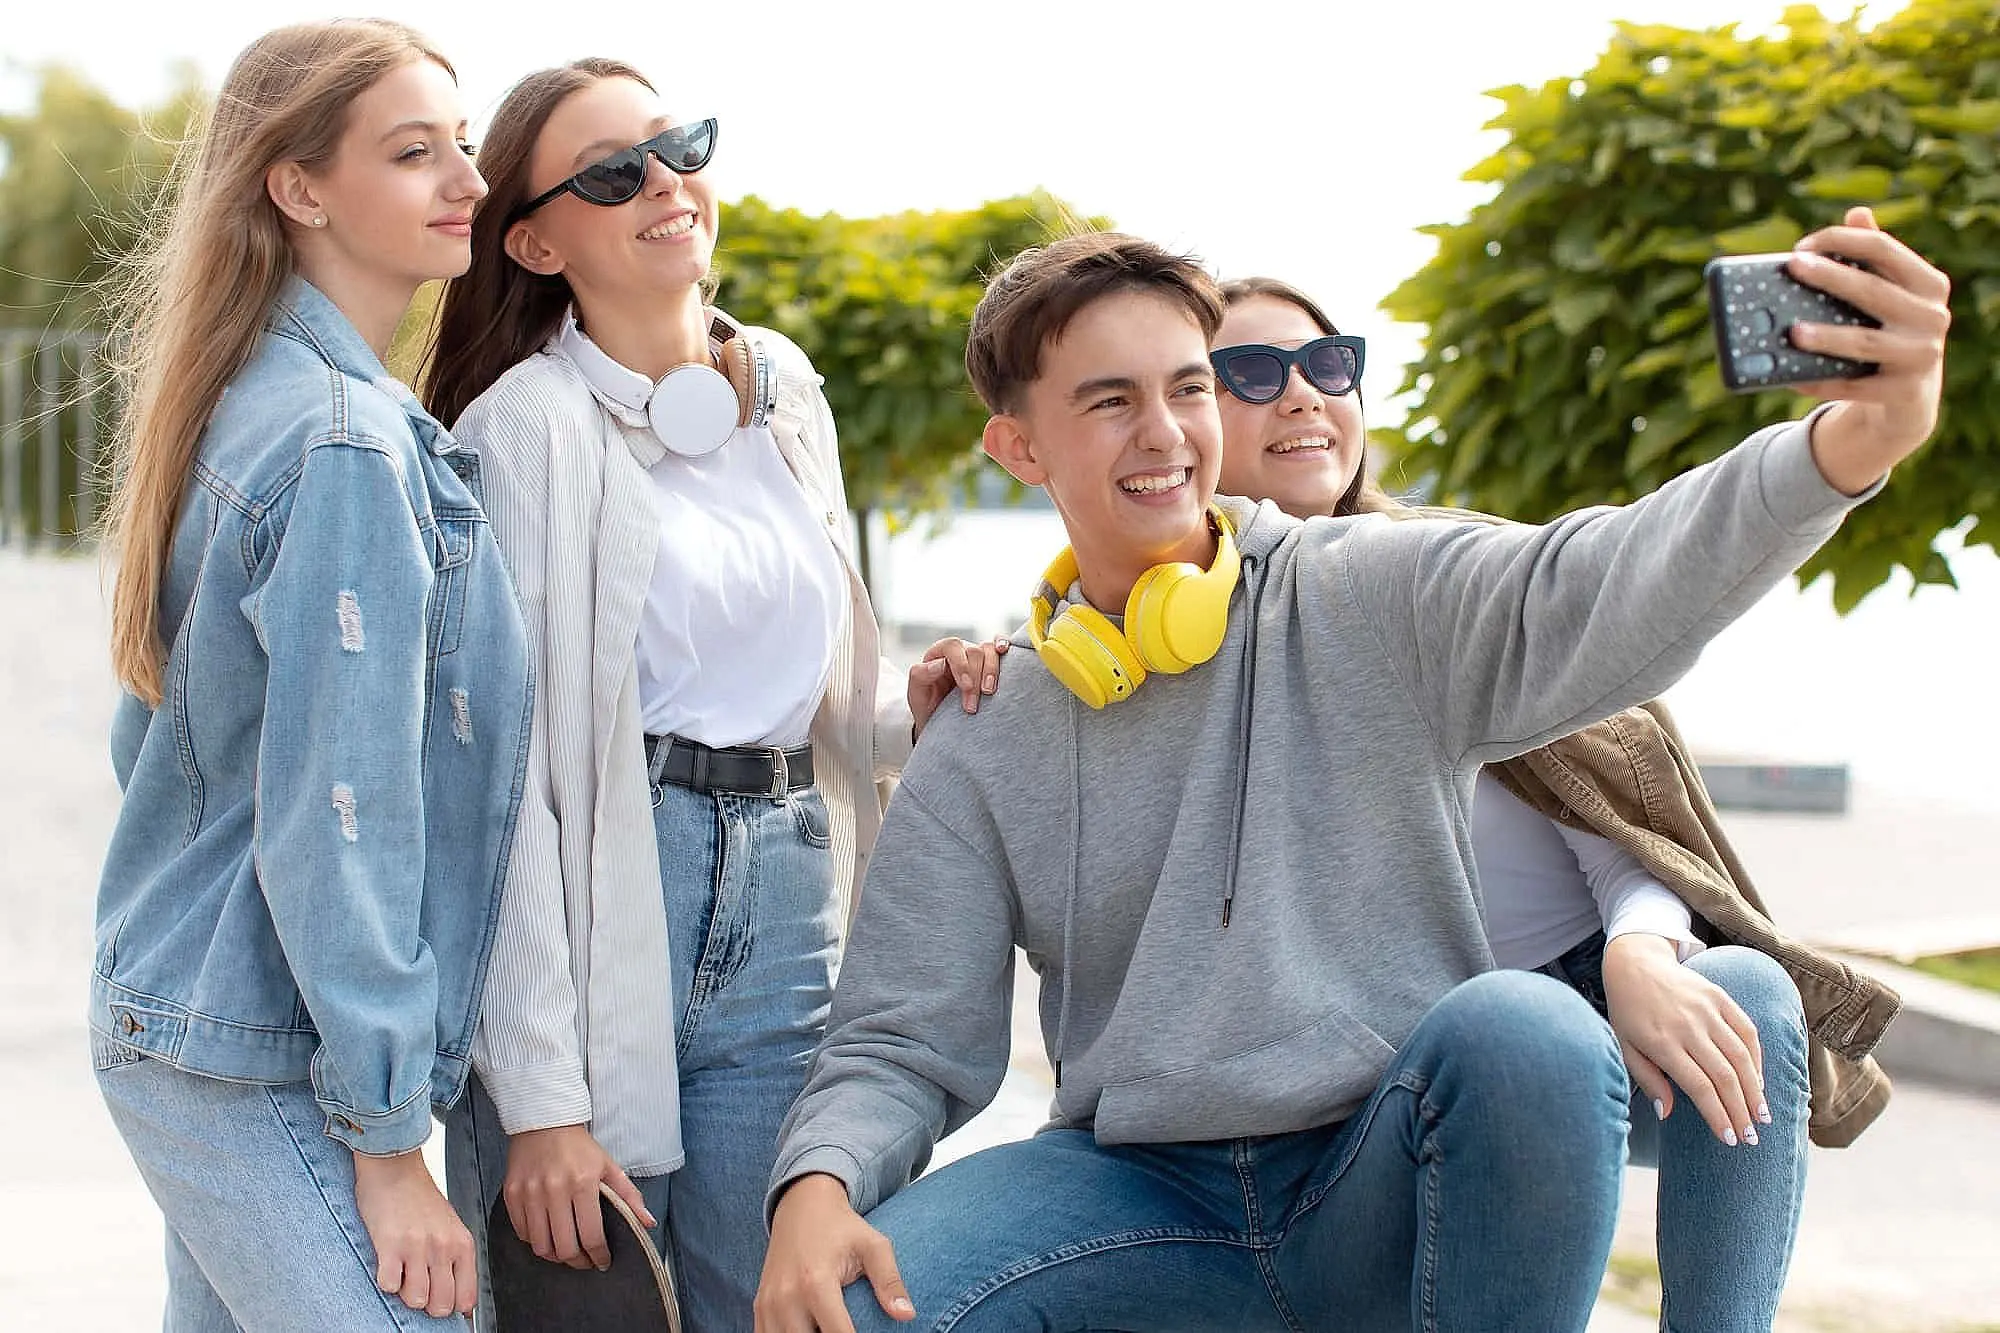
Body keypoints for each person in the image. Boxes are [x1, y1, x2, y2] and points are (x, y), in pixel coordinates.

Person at [754, 216, 1949, 1331]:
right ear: (1016, 445)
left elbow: (1599, 579)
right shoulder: (986, 719)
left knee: (1528, 1029)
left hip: (1385, 1166)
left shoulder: (1370, 591)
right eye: (1108, 401)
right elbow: (901, 1037)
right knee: (849, 1308)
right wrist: (817, 1181)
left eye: (1184, 388)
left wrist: (1842, 449)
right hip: (1133, 1186)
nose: (1164, 433)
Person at [421, 59, 1005, 1329]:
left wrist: (911, 701)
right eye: (613, 172)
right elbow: (503, 786)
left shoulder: (786, 386)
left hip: (789, 889)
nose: (666, 182)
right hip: (610, 900)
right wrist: (539, 1101)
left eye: (676, 144)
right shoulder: (524, 430)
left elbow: (799, 688)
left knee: (788, 1297)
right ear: (533, 239)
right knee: (595, 1309)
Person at [1209, 274, 1902, 1330]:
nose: (1302, 395)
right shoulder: (1160, 646)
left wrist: (1638, 953)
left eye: (1328, 363)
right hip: (1424, 1045)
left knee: (1748, 993)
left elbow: (1611, 822)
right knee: (1511, 1046)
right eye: (1252, 373)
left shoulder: (1455, 578)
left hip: (1589, 993)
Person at [90, 20, 528, 1329]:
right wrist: (390, 1146)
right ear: (300, 187)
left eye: (462, 143)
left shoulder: (256, 402)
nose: (467, 180)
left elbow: (158, 753)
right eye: (414, 153)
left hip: (205, 1025)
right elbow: (347, 814)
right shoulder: (341, 444)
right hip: (259, 1057)